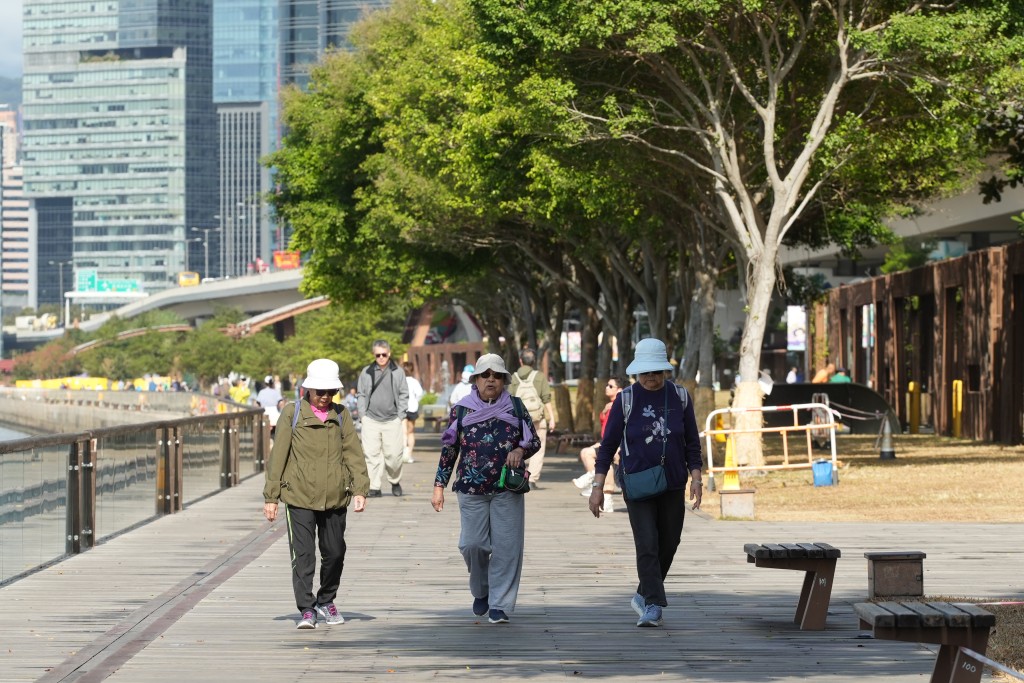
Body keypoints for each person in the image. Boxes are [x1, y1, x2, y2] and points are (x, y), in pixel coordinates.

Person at [589, 338, 703, 628]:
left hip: (674, 481)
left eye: (656, 372)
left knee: (670, 541)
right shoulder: (626, 400)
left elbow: (691, 441)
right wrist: (598, 487)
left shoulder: (680, 397)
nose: (650, 378)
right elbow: (607, 446)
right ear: (636, 373)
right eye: (645, 373)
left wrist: (697, 477)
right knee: (647, 543)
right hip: (637, 482)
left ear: (665, 371)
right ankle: (653, 604)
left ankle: (643, 592)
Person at [431, 354, 541, 625]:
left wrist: (520, 449)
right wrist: (438, 486)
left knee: (506, 548)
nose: (491, 379)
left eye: (497, 375)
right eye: (485, 375)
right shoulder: (461, 410)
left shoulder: (515, 406)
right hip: (470, 488)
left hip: (507, 488)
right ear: (475, 380)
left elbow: (534, 441)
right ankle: (481, 591)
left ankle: (499, 604)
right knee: (473, 545)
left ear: (504, 380)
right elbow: (450, 449)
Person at [263, 358, 369, 630]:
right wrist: (271, 497)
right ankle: (306, 609)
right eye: (319, 391)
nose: (324, 397)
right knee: (304, 555)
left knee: (334, 552)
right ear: (307, 390)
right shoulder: (292, 413)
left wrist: (360, 488)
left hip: (335, 495)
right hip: (298, 494)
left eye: (330, 392)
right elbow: (278, 456)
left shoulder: (342, 414)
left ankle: (326, 599)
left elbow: (353, 453)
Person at [356, 340, 409, 497]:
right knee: (371, 455)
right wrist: (362, 415)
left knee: (394, 456)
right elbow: (361, 394)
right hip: (370, 419)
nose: (381, 357)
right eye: (377, 355)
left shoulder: (398, 372)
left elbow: (403, 394)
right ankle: (374, 486)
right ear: (374, 354)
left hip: (392, 420)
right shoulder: (366, 372)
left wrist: (401, 415)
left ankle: (394, 481)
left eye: (384, 354)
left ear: (389, 354)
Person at [573, 376, 626, 513]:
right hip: (606, 442)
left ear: (619, 390)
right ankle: (594, 480)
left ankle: (594, 481)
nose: (606, 388)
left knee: (593, 455)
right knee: (588, 453)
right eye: (607, 385)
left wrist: (619, 446)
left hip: (617, 444)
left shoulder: (621, 405)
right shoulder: (609, 405)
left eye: (610, 386)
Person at [509, 348, 556, 487]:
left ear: (520, 360)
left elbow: (509, 400)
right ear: (534, 361)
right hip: (537, 418)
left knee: (516, 447)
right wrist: (551, 418)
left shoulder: (513, 378)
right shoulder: (540, 376)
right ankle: (531, 479)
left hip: (518, 420)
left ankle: (517, 476)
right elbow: (546, 399)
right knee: (538, 448)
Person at [403, 361, 424, 464]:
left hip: (401, 408)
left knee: (402, 432)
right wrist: (415, 400)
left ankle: (403, 453)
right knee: (410, 432)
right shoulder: (414, 382)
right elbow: (420, 394)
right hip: (412, 408)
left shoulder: (399, 381)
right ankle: (409, 454)